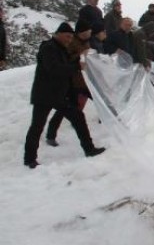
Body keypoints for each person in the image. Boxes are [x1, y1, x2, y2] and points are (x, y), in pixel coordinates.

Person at [24, 22, 105, 169]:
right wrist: (76, 66)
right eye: (67, 36)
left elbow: (67, 63)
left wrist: (79, 57)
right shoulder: (48, 48)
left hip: (58, 95)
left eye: (71, 37)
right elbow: (54, 69)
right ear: (58, 34)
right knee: (37, 126)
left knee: (78, 117)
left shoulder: (61, 49)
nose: (69, 40)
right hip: (44, 95)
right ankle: (29, 159)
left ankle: (89, 149)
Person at [45, 20, 93, 147]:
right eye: (87, 31)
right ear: (82, 32)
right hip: (73, 81)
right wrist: (80, 55)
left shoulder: (86, 42)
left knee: (100, 99)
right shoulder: (71, 42)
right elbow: (66, 59)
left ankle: (113, 122)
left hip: (85, 79)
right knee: (64, 109)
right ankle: (51, 134)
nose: (89, 33)